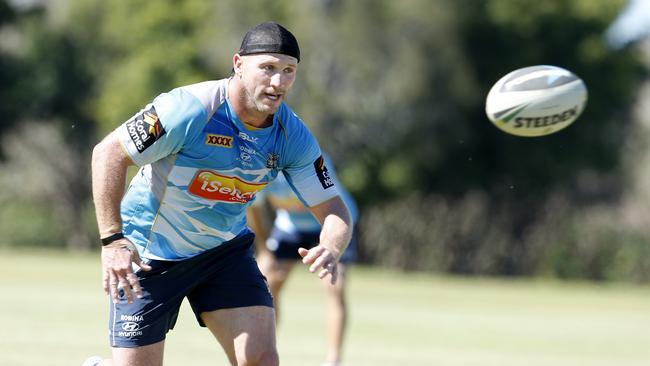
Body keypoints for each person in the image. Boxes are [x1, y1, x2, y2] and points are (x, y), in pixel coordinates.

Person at [84, 21, 353, 366]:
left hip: (223, 252)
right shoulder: (189, 108)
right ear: (239, 64)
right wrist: (113, 241)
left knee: (261, 360)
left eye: (289, 71)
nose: (279, 82)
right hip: (150, 254)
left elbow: (333, 208)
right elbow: (108, 154)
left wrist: (331, 246)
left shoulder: (292, 135)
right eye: (268, 68)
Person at [247, 153, 359, 366]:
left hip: (329, 224)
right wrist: (265, 250)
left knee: (336, 285)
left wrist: (330, 248)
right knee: (267, 284)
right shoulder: (259, 165)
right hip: (291, 227)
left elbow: (333, 207)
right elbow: (255, 209)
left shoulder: (312, 158)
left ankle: (333, 360)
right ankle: (264, 352)